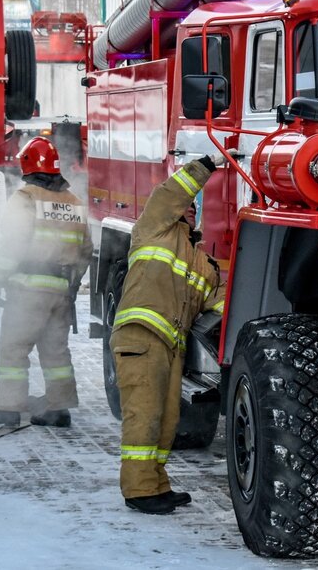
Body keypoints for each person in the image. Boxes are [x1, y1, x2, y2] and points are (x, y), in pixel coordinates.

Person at [112, 154, 227, 515]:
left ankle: (157, 485)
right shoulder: (154, 227)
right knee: (143, 416)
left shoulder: (201, 262)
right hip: (140, 336)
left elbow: (217, 303)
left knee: (166, 421)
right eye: (187, 206)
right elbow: (169, 193)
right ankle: (139, 491)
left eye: (195, 208)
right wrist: (205, 165)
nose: (190, 210)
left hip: (171, 347)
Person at [0, 136, 91, 428]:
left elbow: (12, 247)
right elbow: (85, 251)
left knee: (14, 348)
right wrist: (70, 284)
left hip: (28, 288)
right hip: (61, 291)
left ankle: (8, 409)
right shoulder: (74, 202)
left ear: (27, 166)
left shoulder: (25, 199)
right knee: (56, 351)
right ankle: (59, 410)